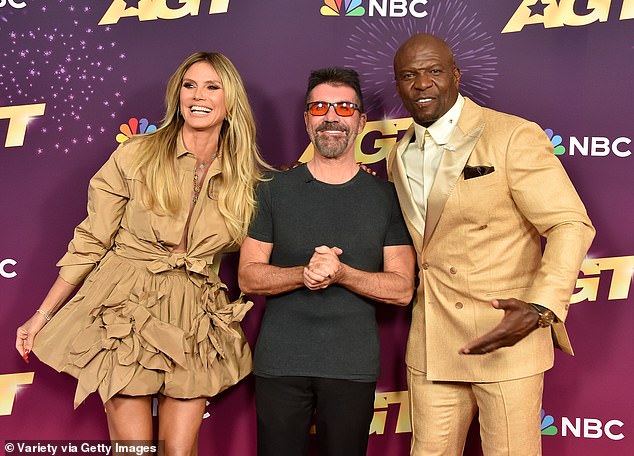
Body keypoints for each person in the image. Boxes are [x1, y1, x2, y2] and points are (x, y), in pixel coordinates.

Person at [15, 51, 270, 455]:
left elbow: (272, 242)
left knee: (180, 451)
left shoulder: (248, 179)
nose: (197, 95)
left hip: (195, 313)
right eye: (189, 85)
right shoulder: (136, 154)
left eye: (211, 86)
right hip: (125, 307)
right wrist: (42, 314)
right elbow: (91, 239)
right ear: (178, 95)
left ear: (230, 100)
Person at [387, 33, 595, 455]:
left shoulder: (512, 135)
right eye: (409, 75)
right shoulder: (398, 152)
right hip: (433, 344)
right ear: (398, 85)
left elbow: (570, 223)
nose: (422, 83)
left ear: (456, 76)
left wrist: (541, 307)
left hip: (508, 338)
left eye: (434, 71)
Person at [238, 67, 416, 456]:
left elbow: (402, 289)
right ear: (306, 119)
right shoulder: (273, 191)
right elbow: (248, 277)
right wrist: (304, 274)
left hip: (351, 366)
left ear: (361, 120)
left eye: (344, 107)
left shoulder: (386, 198)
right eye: (319, 107)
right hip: (280, 363)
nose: (331, 116)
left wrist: (343, 274)